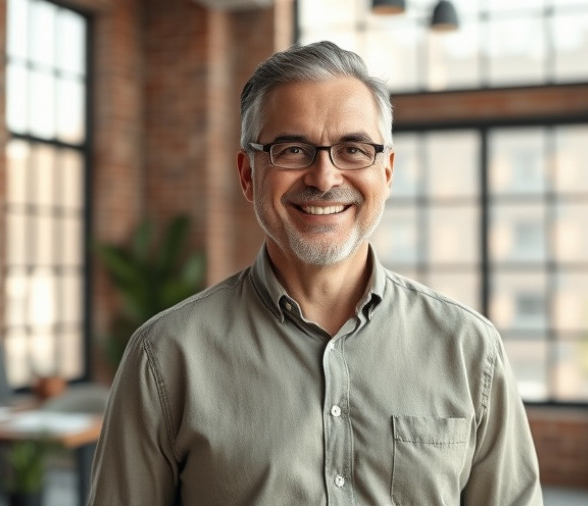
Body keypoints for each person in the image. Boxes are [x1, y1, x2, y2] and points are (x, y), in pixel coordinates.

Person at [88, 40, 542, 505]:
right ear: (248, 175)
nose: (324, 178)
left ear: (386, 172)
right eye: (292, 150)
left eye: (353, 149)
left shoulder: (470, 350)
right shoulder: (164, 357)